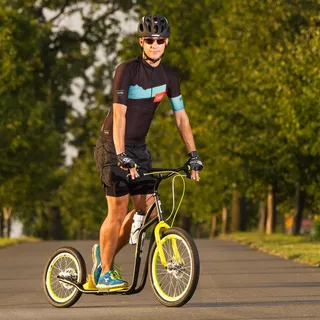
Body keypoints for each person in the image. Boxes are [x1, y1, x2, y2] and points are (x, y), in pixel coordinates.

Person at [90, 15, 203, 290]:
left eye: (160, 40)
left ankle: (103, 255)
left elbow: (181, 117)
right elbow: (119, 116)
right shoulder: (127, 70)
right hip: (112, 145)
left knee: (149, 209)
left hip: (139, 148)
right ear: (142, 42)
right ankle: (104, 272)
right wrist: (120, 154)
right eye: (150, 40)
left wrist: (194, 153)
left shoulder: (169, 77)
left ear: (166, 43)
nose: (155, 45)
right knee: (117, 210)